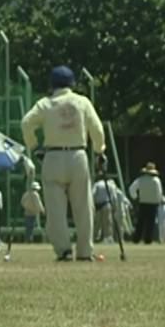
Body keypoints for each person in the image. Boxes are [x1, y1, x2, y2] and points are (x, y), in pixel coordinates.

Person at [21, 65, 106, 262]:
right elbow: (98, 129)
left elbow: (26, 123)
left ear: (52, 85)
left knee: (55, 210)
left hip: (53, 157)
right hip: (78, 155)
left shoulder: (45, 104)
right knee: (84, 207)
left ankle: (64, 250)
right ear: (72, 84)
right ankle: (85, 251)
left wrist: (34, 147)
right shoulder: (82, 102)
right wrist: (99, 151)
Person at [128, 162, 163, 244]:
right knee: (150, 223)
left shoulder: (140, 179)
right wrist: (158, 200)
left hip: (142, 203)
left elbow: (131, 189)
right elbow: (159, 192)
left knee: (140, 222)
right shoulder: (156, 181)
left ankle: (136, 239)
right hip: (153, 204)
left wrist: (135, 197)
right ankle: (148, 239)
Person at [92, 177, 122, 244]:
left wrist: (92, 205)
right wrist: (115, 207)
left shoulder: (97, 184)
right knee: (108, 223)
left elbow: (92, 194)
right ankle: (108, 238)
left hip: (98, 206)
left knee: (96, 223)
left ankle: (93, 237)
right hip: (107, 204)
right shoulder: (111, 185)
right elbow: (114, 197)